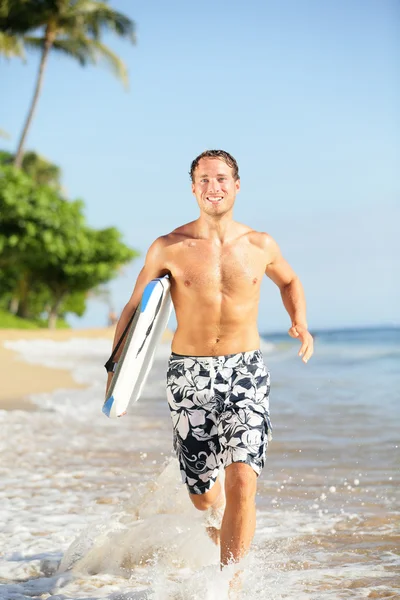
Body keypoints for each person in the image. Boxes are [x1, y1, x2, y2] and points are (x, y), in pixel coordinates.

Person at [105, 149, 313, 580]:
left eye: (221, 179)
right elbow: (133, 307)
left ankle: (228, 585)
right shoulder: (168, 247)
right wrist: (115, 366)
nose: (212, 187)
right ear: (192, 188)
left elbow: (290, 280)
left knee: (243, 480)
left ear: (237, 185)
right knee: (203, 495)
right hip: (189, 375)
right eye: (203, 180)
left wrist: (300, 322)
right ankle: (216, 520)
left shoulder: (260, 244)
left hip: (246, 373)